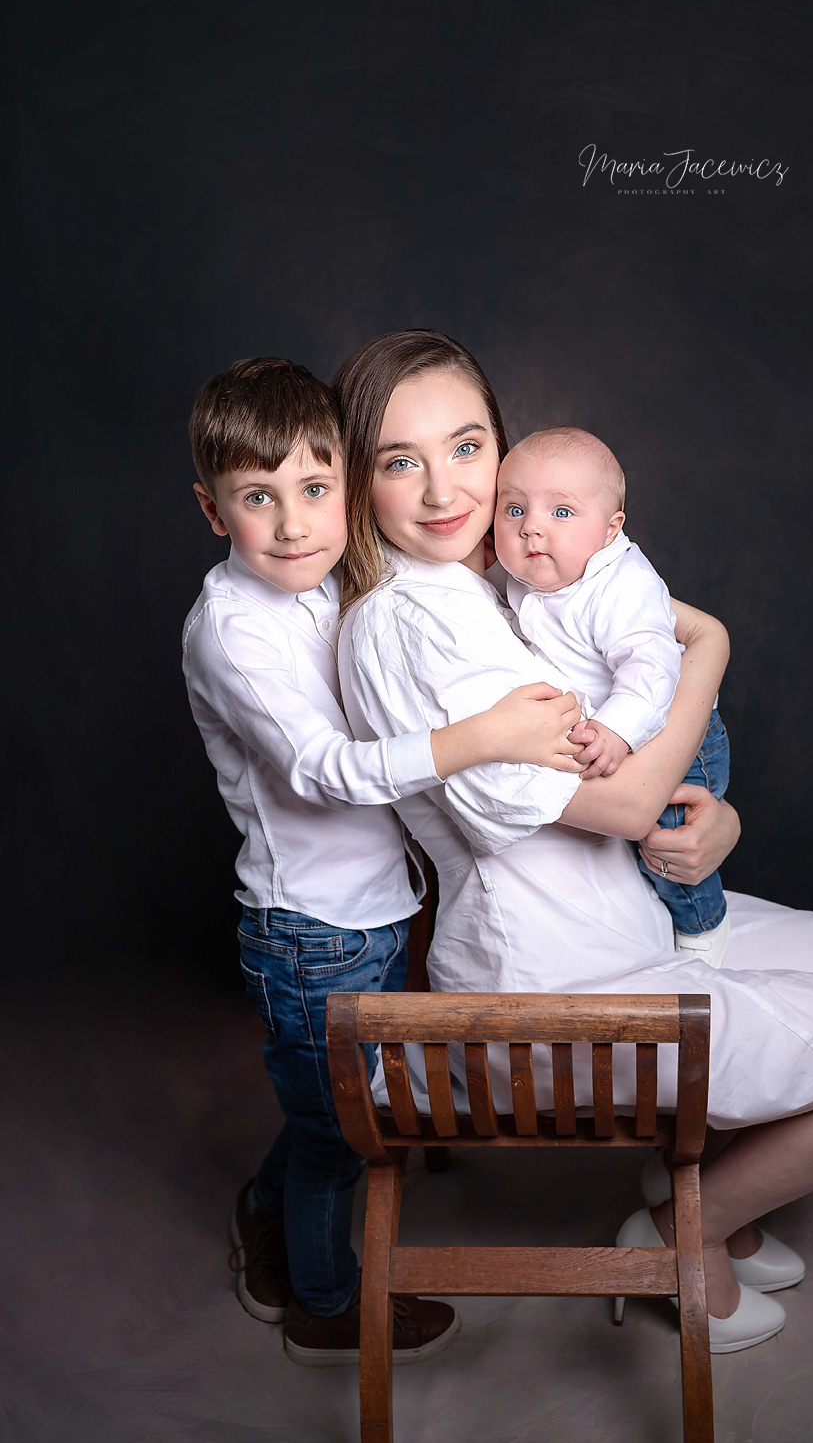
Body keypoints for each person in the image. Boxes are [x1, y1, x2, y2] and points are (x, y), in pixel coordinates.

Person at [333, 328, 813, 1355]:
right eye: (401, 461)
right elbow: (633, 785)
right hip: (549, 993)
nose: (445, 490)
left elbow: (652, 658)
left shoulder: (502, 566)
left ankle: (716, 1203)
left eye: (467, 447)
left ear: (503, 448)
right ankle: (684, 1232)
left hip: (626, 916)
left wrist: (720, 815)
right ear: (360, 479)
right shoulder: (413, 624)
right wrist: (711, 653)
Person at [182, 356, 584, 1366]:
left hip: (378, 909)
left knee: (337, 1106)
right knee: (343, 1132)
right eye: (258, 499)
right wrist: (484, 737)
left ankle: (266, 1209)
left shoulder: (331, 580)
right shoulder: (232, 631)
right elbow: (325, 770)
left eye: (315, 489)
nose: (294, 525)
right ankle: (324, 1305)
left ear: (347, 486)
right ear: (212, 509)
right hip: (309, 932)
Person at [492, 424, 731, 967]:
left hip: (678, 732)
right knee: (635, 850)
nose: (532, 528)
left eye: (561, 512)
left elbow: (652, 670)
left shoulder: (622, 585)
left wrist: (617, 730)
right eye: (514, 510)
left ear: (609, 529)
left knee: (670, 834)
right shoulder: (531, 571)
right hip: (614, 731)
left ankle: (702, 924)